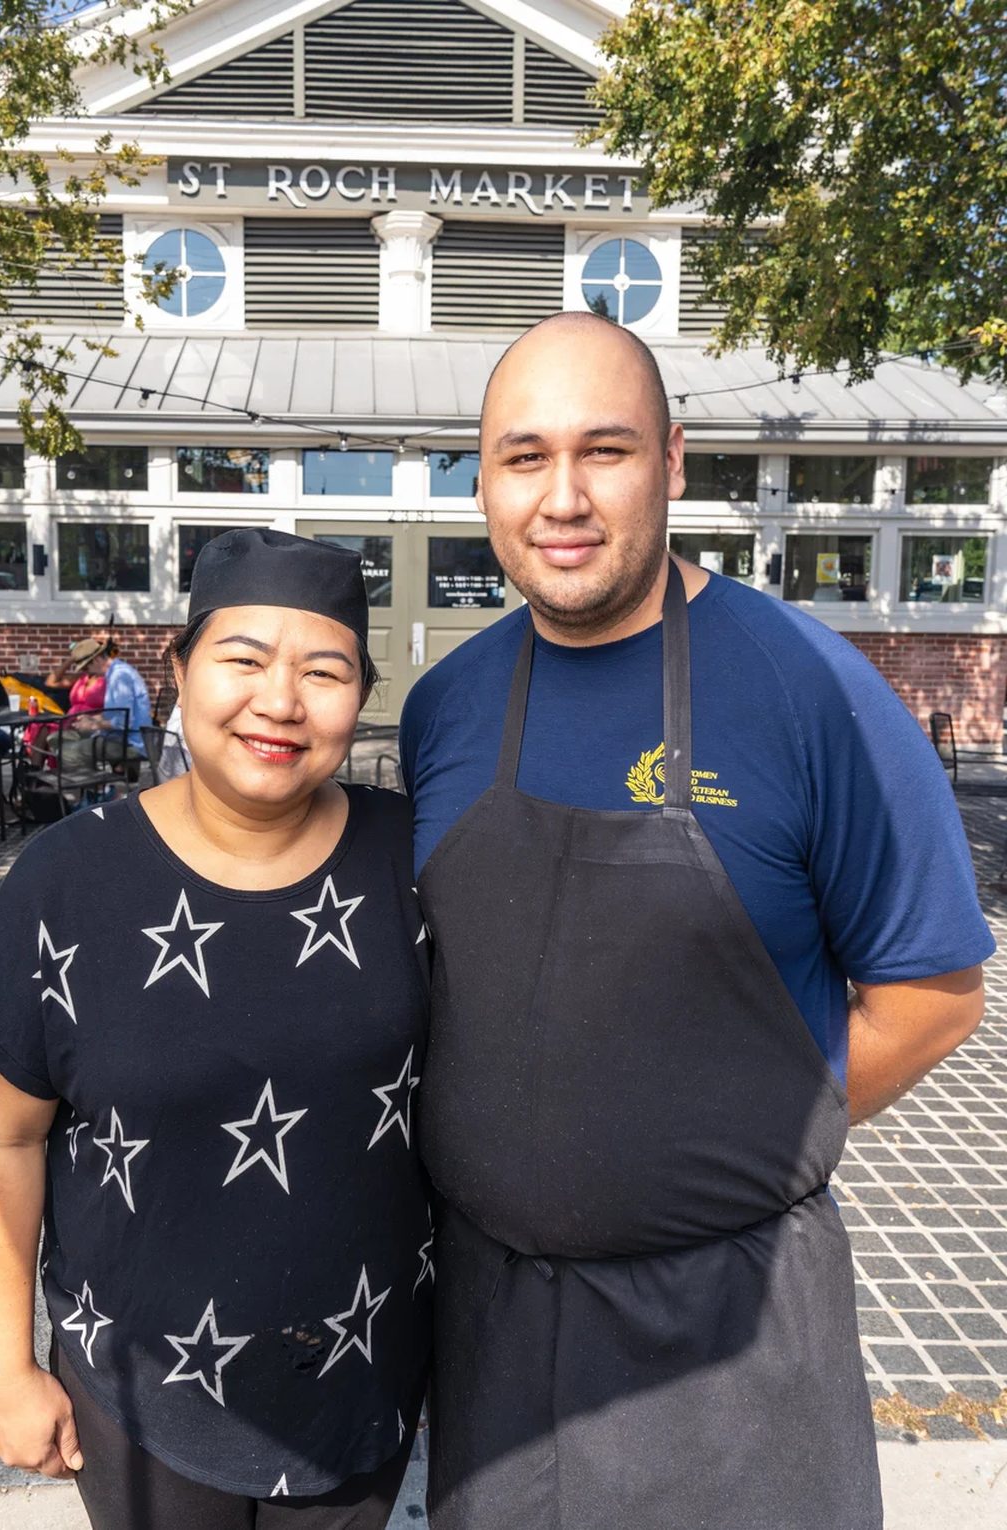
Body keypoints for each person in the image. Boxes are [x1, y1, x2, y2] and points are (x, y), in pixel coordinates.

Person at [400, 313, 993, 1530]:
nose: (562, 497)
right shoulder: (447, 705)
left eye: (604, 451)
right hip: (492, 1333)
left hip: (732, 1345)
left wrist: (750, 1133)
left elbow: (935, 995)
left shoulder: (813, 691)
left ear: (674, 462)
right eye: (525, 458)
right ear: (483, 482)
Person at [0, 529, 432, 1530]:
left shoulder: (414, 864)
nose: (281, 700)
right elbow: (4, 1145)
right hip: (139, 1388)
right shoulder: (65, 881)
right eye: (244, 659)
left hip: (359, 1372)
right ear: (176, 671)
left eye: (325, 670)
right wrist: (4, 1369)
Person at [58, 636, 153, 780]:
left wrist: (92, 725)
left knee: (66, 752)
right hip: (119, 738)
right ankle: (98, 788)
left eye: (85, 667)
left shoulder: (119, 676)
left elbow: (123, 722)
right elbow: (115, 713)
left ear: (96, 660)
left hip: (131, 743)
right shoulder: (115, 673)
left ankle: (98, 793)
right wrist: (91, 718)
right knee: (56, 738)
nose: (87, 672)